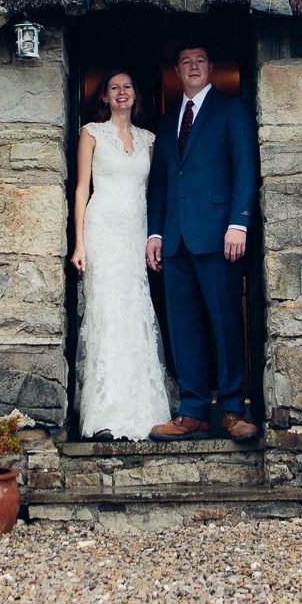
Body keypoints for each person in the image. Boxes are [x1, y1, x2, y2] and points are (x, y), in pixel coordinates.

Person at [145, 41, 260, 442]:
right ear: (177, 72)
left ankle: (232, 409)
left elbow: (245, 169)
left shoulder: (233, 109)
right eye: (185, 62)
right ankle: (192, 409)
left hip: (219, 237)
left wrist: (239, 223)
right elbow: (160, 183)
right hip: (175, 240)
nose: (193, 67)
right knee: (184, 326)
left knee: (227, 322)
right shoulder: (165, 120)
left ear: (211, 67)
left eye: (199, 61)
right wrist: (156, 232)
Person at [69, 70, 172, 440]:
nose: (121, 92)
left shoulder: (149, 140)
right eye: (114, 88)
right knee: (107, 313)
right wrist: (79, 243)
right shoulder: (91, 133)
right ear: (105, 97)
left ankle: (144, 409)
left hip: (134, 234)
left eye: (127, 86)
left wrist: (151, 237)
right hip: (102, 232)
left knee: (135, 311)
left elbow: (148, 194)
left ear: (135, 95)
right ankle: (106, 414)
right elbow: (82, 189)